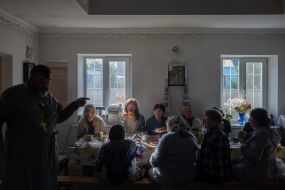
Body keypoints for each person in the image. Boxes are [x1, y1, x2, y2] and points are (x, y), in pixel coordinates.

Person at [0, 65, 88, 190]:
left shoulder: (49, 97)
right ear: (32, 77)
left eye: (47, 81)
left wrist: (74, 105)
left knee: (45, 183)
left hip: (46, 153)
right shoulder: (14, 94)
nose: (45, 85)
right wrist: (1, 150)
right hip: (21, 153)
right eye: (41, 81)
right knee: (21, 183)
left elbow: (59, 117)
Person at [233, 108, 280, 184]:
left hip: (258, 174)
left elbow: (253, 158)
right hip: (269, 170)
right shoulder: (271, 132)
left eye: (250, 117)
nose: (249, 120)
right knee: (235, 161)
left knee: (229, 167)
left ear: (255, 120)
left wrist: (242, 145)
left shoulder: (260, 135)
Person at [149, 116, 197, 187]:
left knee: (149, 170)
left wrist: (152, 155)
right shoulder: (191, 137)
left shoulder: (167, 138)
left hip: (169, 179)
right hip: (188, 177)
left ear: (169, 126)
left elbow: (155, 162)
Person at [197, 109, 231, 184]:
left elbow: (203, 159)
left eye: (206, 120)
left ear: (215, 122)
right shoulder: (222, 134)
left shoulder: (209, 135)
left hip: (213, 176)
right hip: (225, 174)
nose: (203, 122)